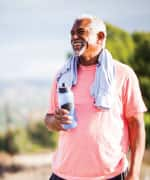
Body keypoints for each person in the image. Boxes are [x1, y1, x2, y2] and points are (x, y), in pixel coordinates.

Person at [44, 15, 147, 180]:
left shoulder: (123, 74)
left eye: (81, 32)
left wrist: (134, 173)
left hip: (111, 175)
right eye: (72, 33)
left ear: (100, 37)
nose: (74, 37)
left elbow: (137, 124)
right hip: (63, 175)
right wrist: (54, 121)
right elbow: (48, 118)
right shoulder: (61, 75)